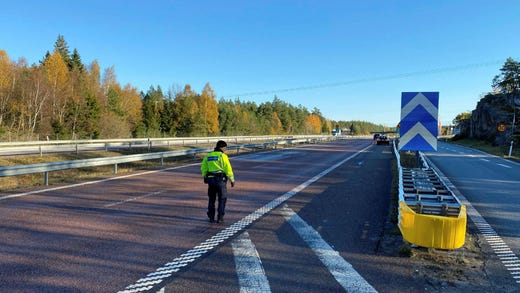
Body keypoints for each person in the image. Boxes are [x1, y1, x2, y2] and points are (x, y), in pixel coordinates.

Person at [201, 140, 235, 223]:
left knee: (212, 198)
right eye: (225, 148)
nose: (226, 150)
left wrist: (205, 176)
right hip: (220, 180)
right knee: (222, 198)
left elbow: (203, 168)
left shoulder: (208, 156)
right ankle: (220, 217)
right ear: (222, 147)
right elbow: (228, 169)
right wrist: (232, 180)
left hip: (211, 180)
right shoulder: (223, 156)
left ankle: (211, 217)